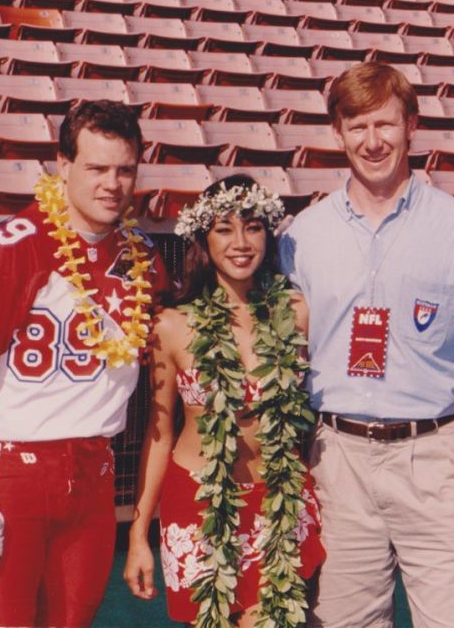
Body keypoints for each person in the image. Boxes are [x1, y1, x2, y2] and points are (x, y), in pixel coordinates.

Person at [278, 62, 454, 627]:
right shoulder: (302, 235)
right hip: (336, 457)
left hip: (435, 455)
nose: (373, 143)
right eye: (357, 127)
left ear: (411, 124)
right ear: (337, 133)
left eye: (385, 125)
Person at [0, 100, 169, 628]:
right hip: (14, 472)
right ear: (63, 166)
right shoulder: (14, 246)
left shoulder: (141, 257)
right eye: (97, 168)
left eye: (125, 170)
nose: (112, 184)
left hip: (93, 474)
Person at [123, 175, 326, 627]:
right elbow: (158, 436)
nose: (240, 242)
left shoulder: (295, 313)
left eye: (252, 227)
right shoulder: (171, 325)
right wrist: (138, 533)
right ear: (202, 238)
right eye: (223, 229)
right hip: (199, 504)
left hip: (278, 499)